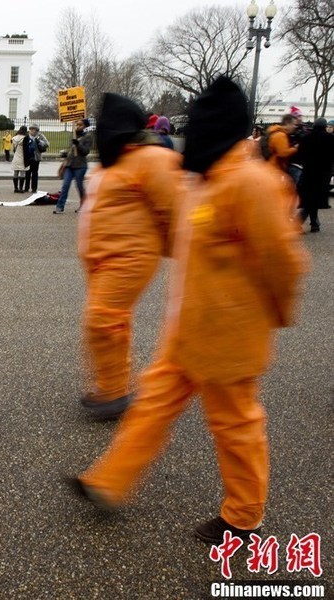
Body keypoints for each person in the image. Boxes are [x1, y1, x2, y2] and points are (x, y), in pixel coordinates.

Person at [72, 76, 308, 546]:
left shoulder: (250, 182)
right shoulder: (209, 179)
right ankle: (108, 482)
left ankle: (244, 516)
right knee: (153, 407)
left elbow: (284, 262)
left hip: (228, 336)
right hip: (190, 330)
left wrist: (274, 316)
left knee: (235, 426)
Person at [77, 93, 181, 420]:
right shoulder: (118, 161)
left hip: (129, 258)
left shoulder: (152, 158)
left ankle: (113, 392)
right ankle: (112, 385)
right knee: (111, 322)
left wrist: (172, 249)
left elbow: (177, 209)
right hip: (104, 257)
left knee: (102, 320)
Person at [296, 118, 334, 233]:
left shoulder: (306, 138)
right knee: (314, 199)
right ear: (324, 126)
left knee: (310, 198)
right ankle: (299, 222)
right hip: (323, 174)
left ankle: (314, 223)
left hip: (308, 172)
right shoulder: (330, 139)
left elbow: (300, 155)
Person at [54, 118, 91, 213]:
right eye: (77, 124)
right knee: (65, 185)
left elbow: (85, 152)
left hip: (80, 165)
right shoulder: (73, 135)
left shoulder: (87, 137)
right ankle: (60, 206)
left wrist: (78, 144)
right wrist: (65, 154)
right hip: (69, 165)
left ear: (85, 127)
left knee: (79, 186)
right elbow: (71, 150)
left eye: (80, 125)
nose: (78, 126)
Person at [28, 124, 50, 192]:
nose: (31, 131)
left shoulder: (40, 136)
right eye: (30, 129)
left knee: (34, 172)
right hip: (28, 156)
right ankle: (26, 187)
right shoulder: (28, 136)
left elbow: (47, 144)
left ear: (36, 130)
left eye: (33, 129)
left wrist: (39, 141)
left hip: (36, 156)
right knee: (27, 172)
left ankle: (34, 188)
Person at [10, 125, 31, 192]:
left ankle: (15, 188)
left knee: (15, 172)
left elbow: (13, 149)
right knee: (22, 173)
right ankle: (21, 188)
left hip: (16, 157)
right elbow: (27, 149)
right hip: (22, 157)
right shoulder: (25, 138)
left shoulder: (14, 138)